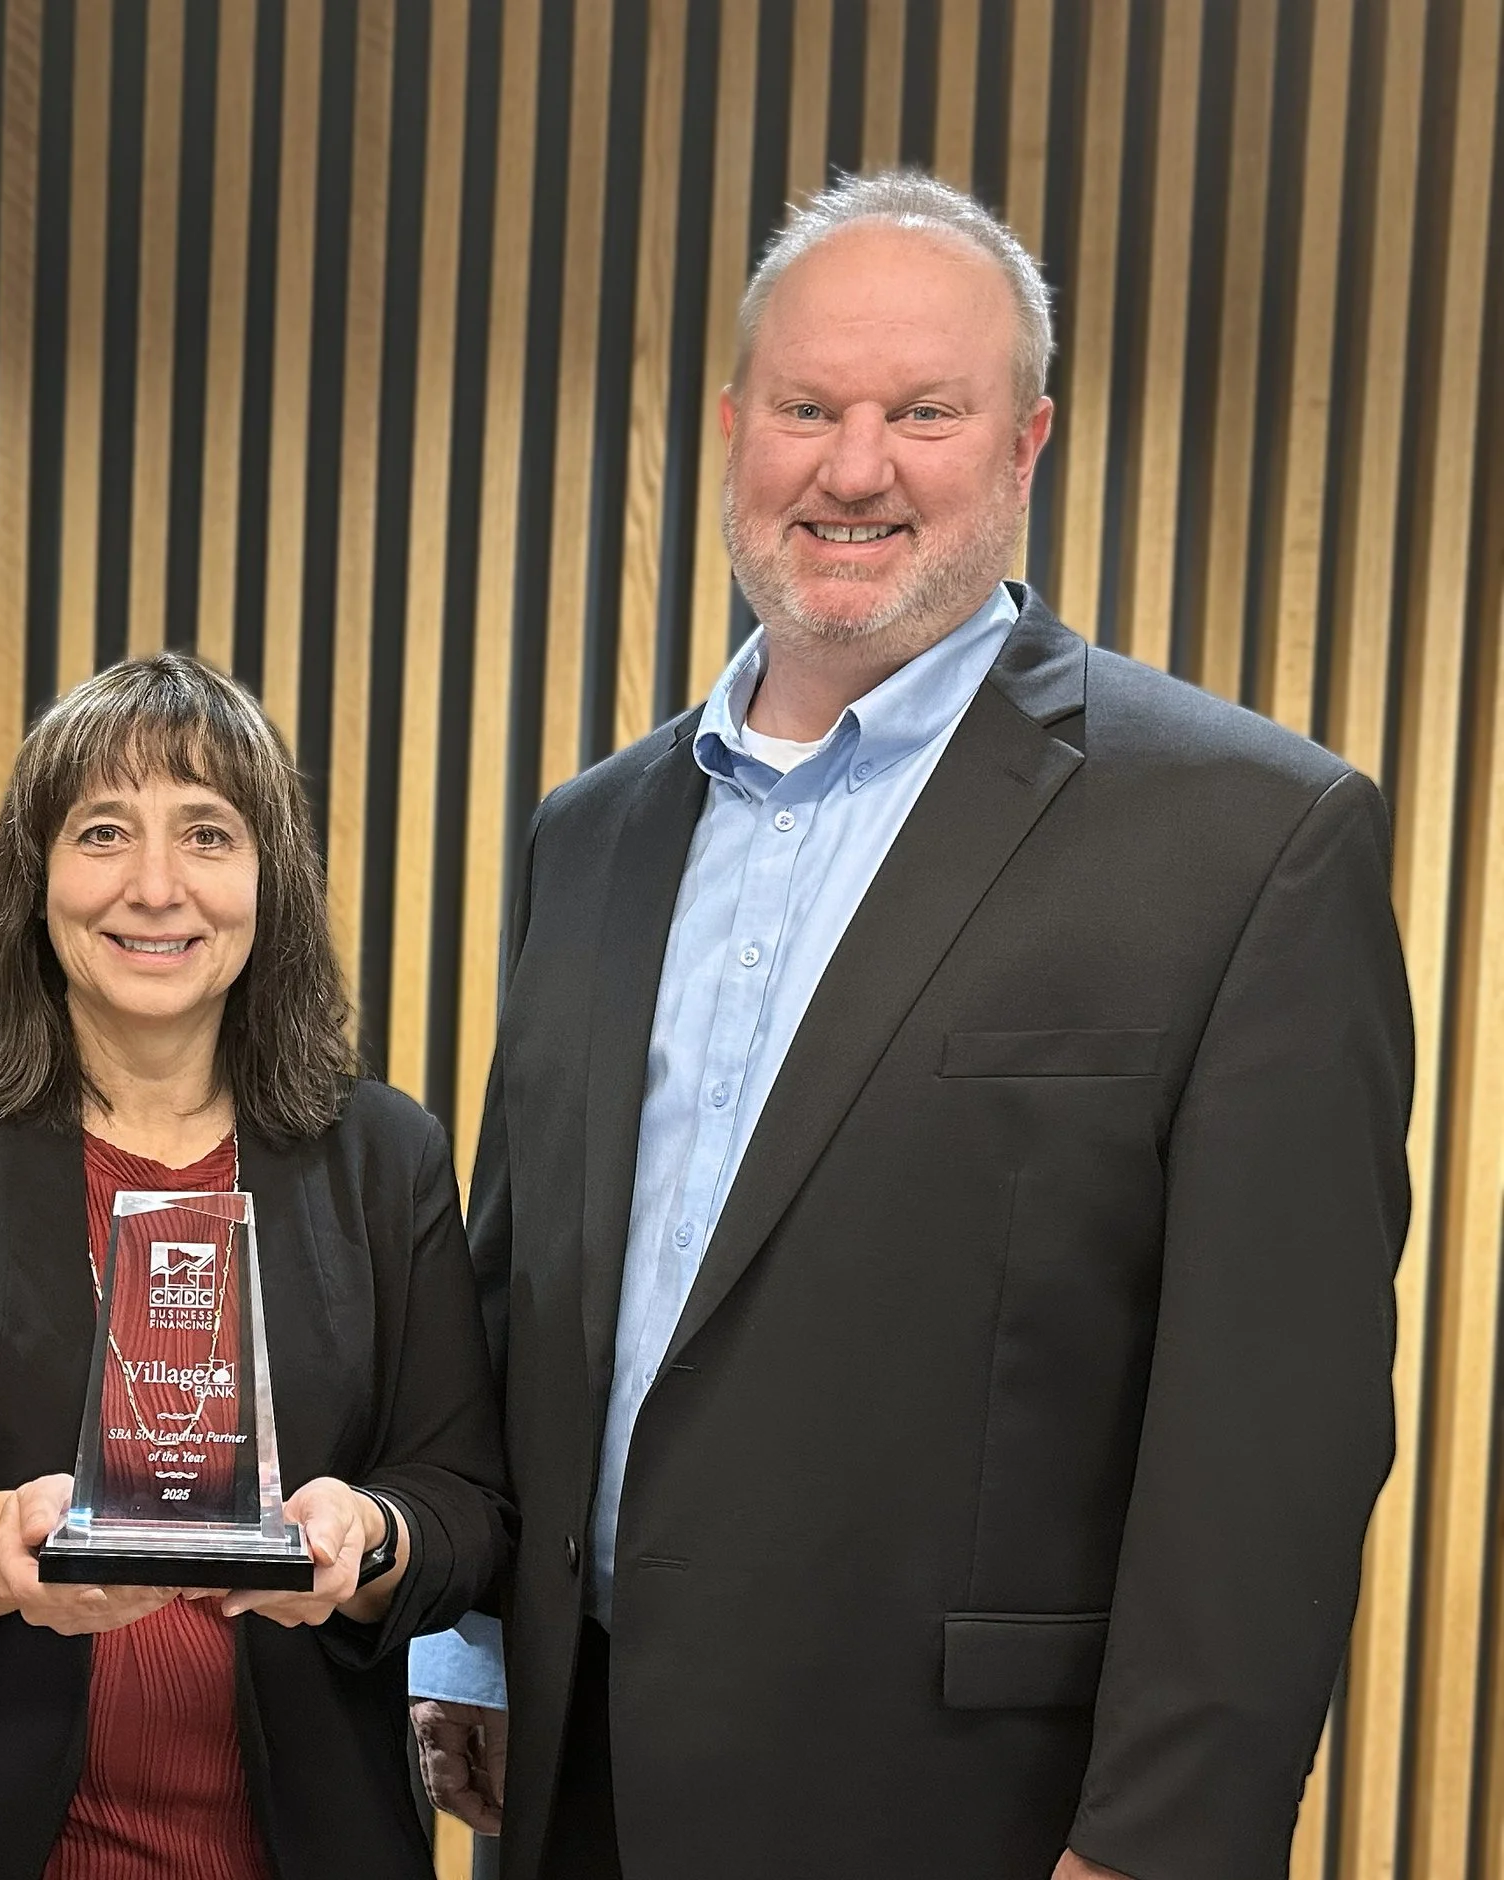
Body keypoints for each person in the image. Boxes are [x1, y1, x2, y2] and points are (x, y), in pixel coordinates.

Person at [410, 169, 1412, 1879]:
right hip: (580, 1793)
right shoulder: (595, 832)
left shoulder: (1249, 838)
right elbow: (524, 1296)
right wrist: (478, 1644)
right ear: (735, 429)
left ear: (1024, 443)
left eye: (923, 412)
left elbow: (1274, 1433)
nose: (854, 465)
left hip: (975, 1819)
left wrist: (1163, 1845)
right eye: (809, 406)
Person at [0, 652, 514, 1879]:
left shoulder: (384, 1155)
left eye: (207, 832)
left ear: (268, 882)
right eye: (103, 832)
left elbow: (462, 1499)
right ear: (34, 881)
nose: (154, 886)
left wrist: (369, 1537)